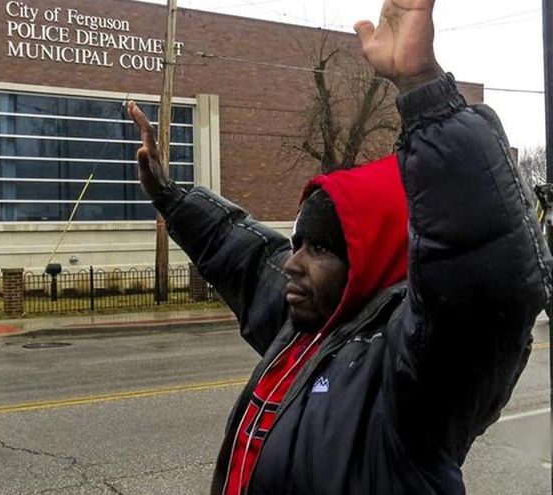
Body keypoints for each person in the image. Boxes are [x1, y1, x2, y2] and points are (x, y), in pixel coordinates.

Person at [127, 0, 552, 493]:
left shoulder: (412, 372)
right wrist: (169, 197)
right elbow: (240, 252)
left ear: (369, 265)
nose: (294, 263)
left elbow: (478, 276)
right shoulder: (303, 330)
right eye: (298, 243)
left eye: (322, 250)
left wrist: (424, 89)